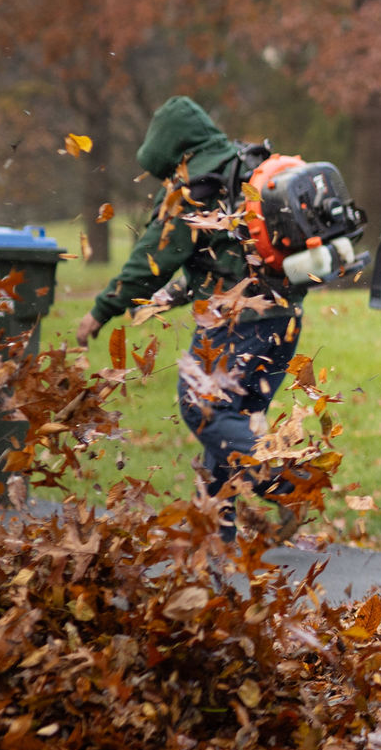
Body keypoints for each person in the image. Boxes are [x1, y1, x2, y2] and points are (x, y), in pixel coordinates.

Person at [74, 97, 308, 539]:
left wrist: (101, 310)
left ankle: (286, 483)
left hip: (236, 327)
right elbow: (227, 259)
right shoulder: (242, 166)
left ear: (173, 153)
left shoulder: (192, 187)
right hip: (283, 321)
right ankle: (214, 537)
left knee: (202, 408)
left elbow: (150, 260)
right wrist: (173, 296)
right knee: (230, 425)